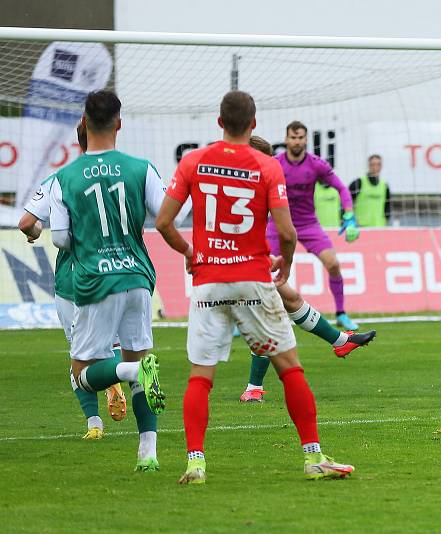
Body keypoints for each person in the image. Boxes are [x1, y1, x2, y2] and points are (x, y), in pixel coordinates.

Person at [155, 91, 354, 483]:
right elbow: (286, 232)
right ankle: (313, 457)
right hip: (253, 279)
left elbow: (163, 222)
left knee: (201, 375)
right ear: (254, 123)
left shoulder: (193, 161)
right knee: (289, 368)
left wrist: (189, 251)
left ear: (218, 122)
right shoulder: (267, 166)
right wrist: (286, 264)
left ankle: (195, 461)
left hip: (208, 282)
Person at [49, 90, 166, 471]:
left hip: (96, 282)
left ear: (84, 123)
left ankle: (134, 370)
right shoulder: (140, 168)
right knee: (137, 354)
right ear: (119, 123)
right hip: (137, 276)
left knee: (83, 375)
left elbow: (60, 239)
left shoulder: (64, 177)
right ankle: (147, 455)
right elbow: (167, 215)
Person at [239, 136, 376, 403]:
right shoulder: (256, 185)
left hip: (246, 256)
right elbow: (284, 231)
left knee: (290, 299)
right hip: (236, 261)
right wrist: (282, 262)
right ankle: (254, 387)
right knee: (270, 317)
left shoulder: (249, 183)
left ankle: (339, 340)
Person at [18, 121, 127, 440]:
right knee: (118, 344)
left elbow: (27, 222)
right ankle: (121, 373)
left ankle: (94, 424)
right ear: (113, 132)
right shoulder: (126, 174)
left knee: (79, 354)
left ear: (79, 142)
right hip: (115, 270)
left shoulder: (59, 180)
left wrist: (34, 233)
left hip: (73, 278)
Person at [270, 121, 360, 331]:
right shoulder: (275, 163)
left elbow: (342, 189)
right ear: (286, 139)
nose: (297, 141)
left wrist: (349, 215)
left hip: (308, 223)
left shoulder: (316, 164)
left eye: (301, 137)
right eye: (293, 137)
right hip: (278, 224)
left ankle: (341, 314)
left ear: (306, 139)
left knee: (334, 264)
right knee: (264, 272)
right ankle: (249, 317)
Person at [349, 154, 391, 227]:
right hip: (361, 227)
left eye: (378, 164)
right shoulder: (359, 182)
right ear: (368, 166)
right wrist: (351, 219)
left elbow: (387, 207)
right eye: (372, 164)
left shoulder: (384, 186)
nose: (375, 167)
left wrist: (385, 221)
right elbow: (346, 201)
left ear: (381, 166)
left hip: (379, 227)